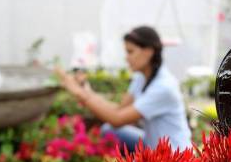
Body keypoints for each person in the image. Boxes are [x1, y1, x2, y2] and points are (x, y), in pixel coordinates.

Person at [55, 26, 191, 152]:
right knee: (108, 130)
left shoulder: (164, 87)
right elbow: (119, 109)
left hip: (175, 156)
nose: (126, 58)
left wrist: (79, 93)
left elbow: (117, 119)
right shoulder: (142, 77)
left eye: (130, 52)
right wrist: (85, 90)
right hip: (153, 146)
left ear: (149, 52)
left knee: (111, 128)